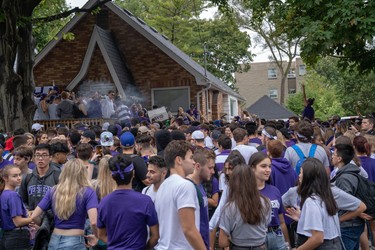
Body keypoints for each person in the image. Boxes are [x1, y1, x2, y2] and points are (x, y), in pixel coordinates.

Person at [31, 159, 98, 249]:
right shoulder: (88, 192)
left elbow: (34, 216)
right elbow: (93, 221)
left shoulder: (53, 190)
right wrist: (97, 236)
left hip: (54, 239)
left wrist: (42, 224)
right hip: (75, 240)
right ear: (82, 173)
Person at [97, 154, 159, 249]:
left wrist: (116, 245)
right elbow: (155, 236)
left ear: (112, 177)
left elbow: (101, 235)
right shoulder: (145, 201)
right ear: (133, 174)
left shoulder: (104, 203)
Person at [154, 140, 206, 250]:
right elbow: (189, 229)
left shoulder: (163, 186)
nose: (193, 162)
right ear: (179, 160)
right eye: (190, 157)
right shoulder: (185, 186)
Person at [287, 158, 341, 249]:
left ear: (308, 177)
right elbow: (324, 224)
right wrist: (303, 218)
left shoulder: (311, 201)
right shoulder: (326, 196)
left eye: (301, 173)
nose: (299, 176)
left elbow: (317, 238)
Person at [218, 164, 271, 249]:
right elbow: (266, 224)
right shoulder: (266, 203)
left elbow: (222, 242)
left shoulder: (229, 208)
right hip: (261, 246)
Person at [249, 152, 290, 250]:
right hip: (256, 238)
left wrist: (287, 243)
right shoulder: (245, 192)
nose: (268, 170)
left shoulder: (275, 190)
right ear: (252, 168)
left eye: (269, 166)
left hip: (277, 236)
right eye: (263, 166)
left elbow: (281, 221)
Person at [331, 144, 365, 250]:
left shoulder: (344, 178)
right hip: (354, 224)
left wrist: (339, 220)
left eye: (334, 154)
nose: (332, 156)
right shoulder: (351, 172)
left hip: (348, 226)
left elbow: (347, 204)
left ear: (339, 158)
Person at [187, 148, 216, 249]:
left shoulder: (200, 185)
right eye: (210, 168)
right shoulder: (189, 188)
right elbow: (189, 228)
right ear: (198, 166)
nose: (213, 171)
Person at [0, 165, 33, 250]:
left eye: (20, 175)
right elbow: (18, 222)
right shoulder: (13, 195)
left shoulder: (3, 194)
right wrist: (33, 217)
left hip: (7, 237)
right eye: (14, 176)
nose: (19, 178)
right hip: (17, 237)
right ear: (5, 178)